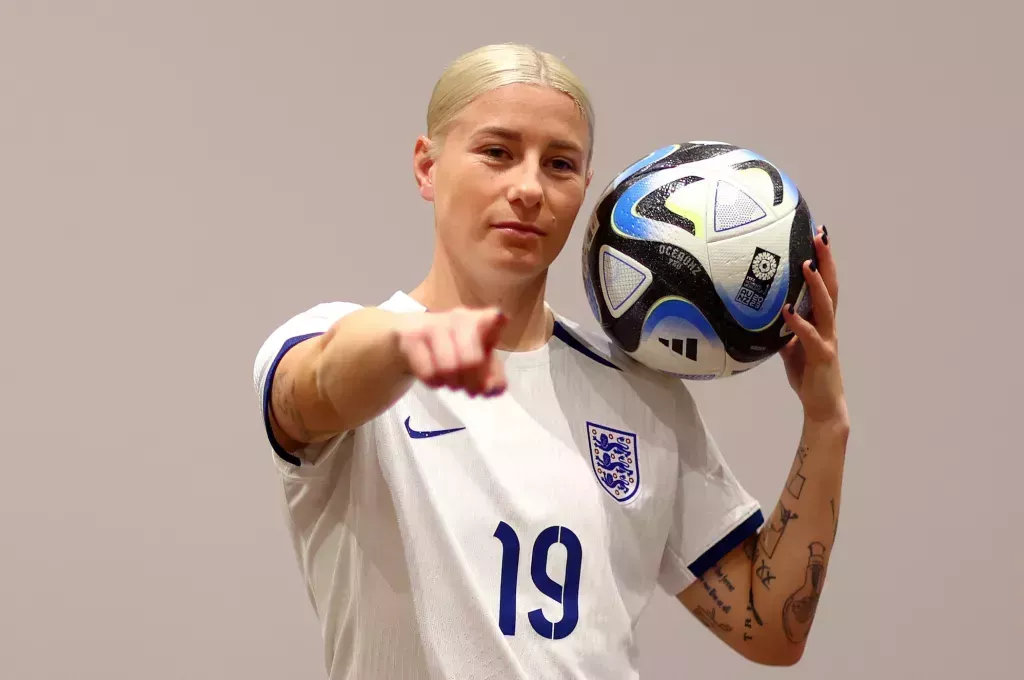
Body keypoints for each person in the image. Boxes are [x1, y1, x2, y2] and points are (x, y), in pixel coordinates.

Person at [251, 42, 848, 680]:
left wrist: (825, 420)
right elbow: (316, 386)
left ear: (586, 190)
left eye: (559, 164)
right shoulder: (335, 341)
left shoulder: (640, 392)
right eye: (497, 152)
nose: (529, 187)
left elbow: (769, 623)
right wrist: (405, 344)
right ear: (427, 167)